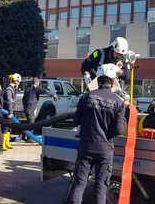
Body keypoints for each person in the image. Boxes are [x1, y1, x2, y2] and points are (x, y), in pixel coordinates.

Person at [65, 64, 126, 204]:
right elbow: (119, 130)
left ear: (98, 80)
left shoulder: (87, 96)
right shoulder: (118, 102)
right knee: (100, 186)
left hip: (86, 147)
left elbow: (76, 120)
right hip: (105, 150)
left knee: (79, 184)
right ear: (112, 81)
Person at [21, 77, 58, 142]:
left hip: (26, 107)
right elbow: (44, 91)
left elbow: (23, 99)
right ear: (37, 83)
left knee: (29, 121)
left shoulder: (27, 89)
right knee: (31, 123)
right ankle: (30, 138)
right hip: (31, 107)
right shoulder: (36, 88)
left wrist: (25, 105)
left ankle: (23, 135)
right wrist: (53, 95)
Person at [1, 73, 21, 151]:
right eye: (18, 82)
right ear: (15, 81)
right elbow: (9, 101)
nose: (18, 83)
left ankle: (7, 142)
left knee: (9, 127)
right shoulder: (9, 89)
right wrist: (10, 112)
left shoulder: (12, 88)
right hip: (6, 110)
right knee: (5, 126)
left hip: (9, 110)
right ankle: (3, 144)